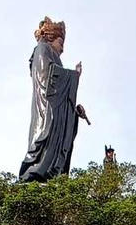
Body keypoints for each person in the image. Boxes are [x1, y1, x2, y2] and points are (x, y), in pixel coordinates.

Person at [17, 17, 88, 183]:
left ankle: (53, 174)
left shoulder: (56, 58)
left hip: (58, 107)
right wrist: (74, 76)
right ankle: (35, 172)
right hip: (46, 106)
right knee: (45, 136)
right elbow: (45, 77)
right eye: (61, 43)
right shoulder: (42, 48)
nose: (62, 49)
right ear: (50, 39)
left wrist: (73, 110)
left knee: (59, 141)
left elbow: (59, 86)